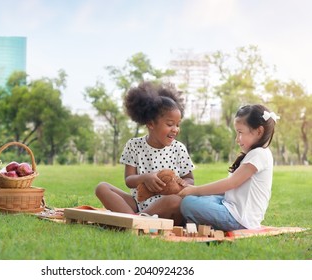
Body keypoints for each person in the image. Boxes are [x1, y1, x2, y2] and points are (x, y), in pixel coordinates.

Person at [95, 81, 195, 225]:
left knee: (175, 201)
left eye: (177, 124)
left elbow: (190, 179)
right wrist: (144, 178)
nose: (175, 129)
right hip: (137, 203)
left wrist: (177, 184)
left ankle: (132, 221)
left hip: (164, 206)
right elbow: (129, 180)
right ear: (150, 124)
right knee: (102, 187)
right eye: (169, 124)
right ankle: (137, 220)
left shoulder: (179, 148)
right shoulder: (134, 145)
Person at [178, 104, 280, 231]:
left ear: (259, 131)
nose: (237, 139)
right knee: (196, 199)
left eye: (240, 132)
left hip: (239, 219)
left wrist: (195, 190)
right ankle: (199, 221)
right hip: (229, 205)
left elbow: (230, 183)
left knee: (188, 203)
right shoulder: (256, 153)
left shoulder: (259, 154)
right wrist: (197, 192)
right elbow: (231, 188)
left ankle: (198, 222)